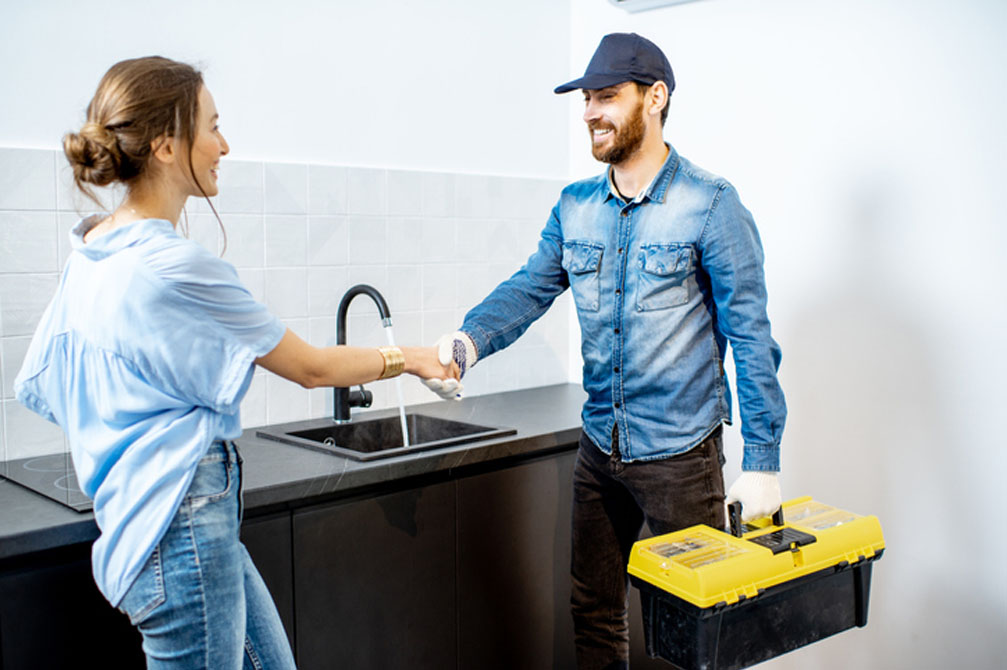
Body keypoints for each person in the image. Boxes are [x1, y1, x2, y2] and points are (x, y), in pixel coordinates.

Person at [14, 56, 457, 670]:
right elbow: (312, 368)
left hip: (155, 521)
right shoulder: (177, 268)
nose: (225, 144)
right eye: (212, 126)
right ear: (167, 145)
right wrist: (414, 358)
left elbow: (45, 383)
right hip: (181, 526)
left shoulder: (92, 249)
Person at [423, 33, 787, 669]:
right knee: (593, 612)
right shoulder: (575, 206)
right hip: (600, 451)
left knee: (694, 632)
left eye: (607, 96)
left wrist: (762, 459)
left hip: (682, 457)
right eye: (586, 98)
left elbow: (752, 337)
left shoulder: (711, 205)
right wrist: (467, 341)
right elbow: (529, 288)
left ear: (655, 97)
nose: (590, 111)